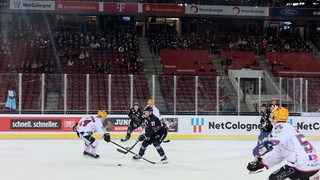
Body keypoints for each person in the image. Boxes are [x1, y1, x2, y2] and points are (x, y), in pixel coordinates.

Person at [247, 107, 320, 179]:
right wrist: (262, 164)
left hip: (300, 165)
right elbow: (279, 155)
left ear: (274, 117)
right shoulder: (290, 129)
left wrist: (262, 148)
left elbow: (275, 141)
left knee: (273, 178)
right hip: (315, 166)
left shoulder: (280, 126)